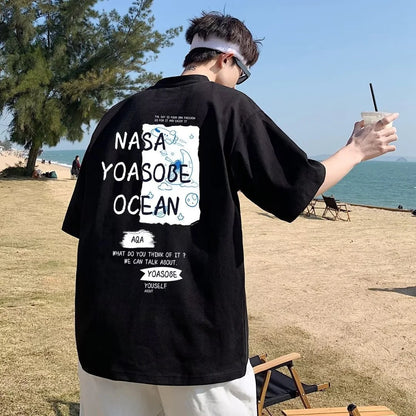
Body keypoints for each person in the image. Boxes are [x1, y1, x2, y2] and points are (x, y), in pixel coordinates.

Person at [62, 11, 398, 416]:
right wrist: (358, 150)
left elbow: (89, 224)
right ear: (226, 60)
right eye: (243, 72)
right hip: (197, 340)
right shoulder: (229, 108)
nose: (239, 81)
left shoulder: (117, 114)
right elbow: (295, 187)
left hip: (107, 337)